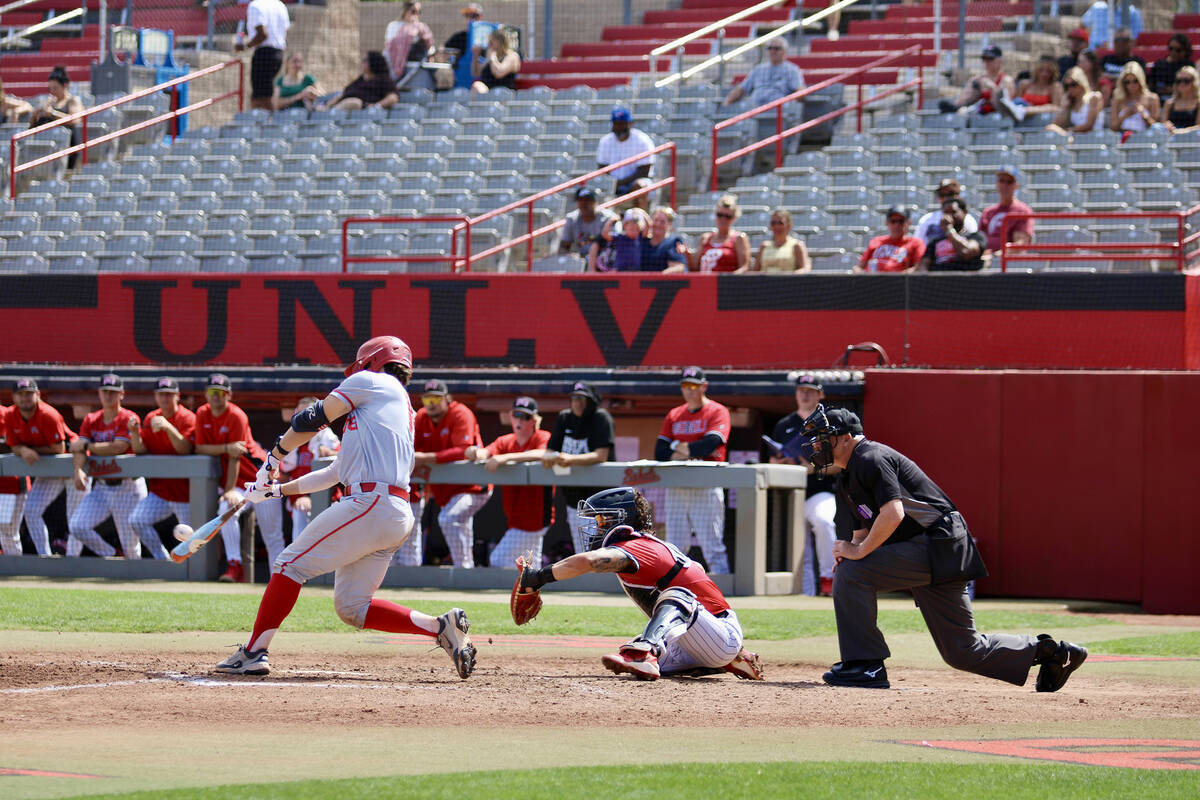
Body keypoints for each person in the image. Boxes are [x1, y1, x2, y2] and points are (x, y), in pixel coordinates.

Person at [216, 335, 476, 680]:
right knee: (352, 608)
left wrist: (274, 456)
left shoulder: (372, 381)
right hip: (392, 512)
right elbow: (336, 472)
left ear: (371, 361)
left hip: (371, 503)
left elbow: (311, 418)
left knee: (288, 565)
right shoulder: (393, 407)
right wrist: (276, 490)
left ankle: (253, 652)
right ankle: (441, 627)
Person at [797, 404, 1088, 692]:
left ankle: (866, 666)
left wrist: (857, 555)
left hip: (938, 543)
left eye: (824, 437)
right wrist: (849, 551)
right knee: (963, 651)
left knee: (853, 572)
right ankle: (1053, 653)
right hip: (928, 549)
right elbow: (861, 533)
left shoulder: (871, 456)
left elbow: (893, 514)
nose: (817, 445)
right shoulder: (846, 477)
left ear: (846, 438)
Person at [513, 487, 763, 681]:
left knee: (675, 597)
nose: (595, 527)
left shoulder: (638, 545)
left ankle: (649, 652)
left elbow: (589, 561)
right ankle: (727, 661)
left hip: (722, 633)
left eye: (601, 520)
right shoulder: (648, 545)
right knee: (626, 653)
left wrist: (538, 577)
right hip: (699, 638)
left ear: (622, 520)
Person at [654, 367, 732, 575]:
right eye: (685, 386)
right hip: (677, 485)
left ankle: (721, 590)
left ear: (704, 386)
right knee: (675, 546)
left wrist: (678, 447)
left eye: (694, 386)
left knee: (712, 545)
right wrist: (690, 449)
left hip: (705, 483)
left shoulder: (717, 410)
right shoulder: (675, 414)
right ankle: (676, 587)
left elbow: (711, 444)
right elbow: (660, 452)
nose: (689, 390)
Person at [766, 374, 838, 596]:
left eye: (810, 390)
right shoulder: (785, 424)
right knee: (800, 548)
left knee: (823, 522)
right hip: (791, 494)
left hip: (820, 489)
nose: (805, 394)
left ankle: (830, 577)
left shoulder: (830, 421)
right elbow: (771, 460)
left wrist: (813, 468)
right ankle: (806, 594)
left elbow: (842, 463)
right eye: (801, 390)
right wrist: (781, 462)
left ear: (820, 394)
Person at [193, 373, 266, 583]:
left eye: (221, 393)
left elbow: (236, 456)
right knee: (226, 510)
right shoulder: (202, 413)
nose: (216, 396)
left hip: (257, 480)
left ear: (229, 395)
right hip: (232, 484)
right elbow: (199, 448)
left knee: (272, 535)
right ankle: (235, 565)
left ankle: (285, 578)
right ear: (206, 394)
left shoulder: (237, 415)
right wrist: (229, 489)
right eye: (212, 392)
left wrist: (229, 489)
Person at [67, 374, 148, 559]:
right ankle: (111, 553)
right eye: (105, 391)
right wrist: (78, 470)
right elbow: (78, 449)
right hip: (102, 487)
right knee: (77, 526)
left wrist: (87, 446)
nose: (108, 395)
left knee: (132, 548)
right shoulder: (91, 419)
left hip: (128, 487)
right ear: (99, 393)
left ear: (121, 394)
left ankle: (133, 581)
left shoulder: (128, 417)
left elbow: (119, 447)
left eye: (113, 392)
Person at [466, 396, 552, 566]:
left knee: (498, 560)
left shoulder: (542, 436)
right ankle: (528, 591)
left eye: (525, 417)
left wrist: (503, 459)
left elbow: (542, 454)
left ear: (534, 420)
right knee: (530, 566)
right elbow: (487, 452)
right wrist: (475, 453)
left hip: (536, 517)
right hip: (515, 517)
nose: (519, 420)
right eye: (516, 415)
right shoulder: (505, 441)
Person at [413, 379, 488, 568]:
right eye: (427, 399)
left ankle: (463, 569)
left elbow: (462, 450)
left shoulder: (461, 413)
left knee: (449, 519)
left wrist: (425, 458)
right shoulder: (421, 417)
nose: (431, 404)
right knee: (460, 525)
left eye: (436, 399)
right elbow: (411, 450)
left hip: (473, 486)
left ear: (447, 399)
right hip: (445, 490)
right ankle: (466, 569)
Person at [6, 378, 81, 556]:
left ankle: (73, 562)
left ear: (38, 395)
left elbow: (59, 448)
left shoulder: (48, 414)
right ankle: (44, 557)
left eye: (29, 394)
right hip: (48, 470)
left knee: (75, 519)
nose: (25, 398)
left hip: (71, 466)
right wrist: (23, 450)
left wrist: (30, 450)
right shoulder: (10, 415)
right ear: (14, 397)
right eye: (20, 394)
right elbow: (13, 445)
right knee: (31, 511)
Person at [542, 381, 615, 555]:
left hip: (599, 501)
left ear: (591, 402)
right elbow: (551, 449)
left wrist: (571, 459)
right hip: (573, 499)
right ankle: (586, 582)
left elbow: (601, 455)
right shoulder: (564, 418)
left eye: (583, 399)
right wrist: (550, 457)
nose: (578, 402)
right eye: (575, 398)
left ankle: (602, 583)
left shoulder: (601, 418)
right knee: (582, 550)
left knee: (601, 550)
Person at [127, 377, 195, 561]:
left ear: (177, 396)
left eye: (169, 394)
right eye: (161, 394)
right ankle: (162, 559)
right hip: (161, 493)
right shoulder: (151, 417)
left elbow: (185, 449)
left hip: (186, 494)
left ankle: (193, 576)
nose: (165, 398)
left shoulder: (188, 417)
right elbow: (140, 450)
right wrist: (134, 434)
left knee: (192, 540)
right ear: (156, 397)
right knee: (137, 520)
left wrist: (168, 427)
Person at [279, 397, 340, 542]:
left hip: (327, 497)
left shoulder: (326, 436)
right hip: (299, 496)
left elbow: (345, 460)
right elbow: (284, 474)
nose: (303, 419)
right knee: (300, 510)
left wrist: (331, 454)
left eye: (307, 414)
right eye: (299, 415)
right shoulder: (292, 437)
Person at [235, 0, 289, 112]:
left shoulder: (256, 5)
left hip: (264, 54)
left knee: (260, 98)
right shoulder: (280, 5)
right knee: (267, 93)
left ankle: (265, 124)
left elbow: (263, 34)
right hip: (278, 53)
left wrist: (245, 46)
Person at [721, 37, 803, 108]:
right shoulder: (759, 69)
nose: (772, 51)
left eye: (776, 48)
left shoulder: (791, 69)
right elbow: (742, 89)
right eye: (769, 48)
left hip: (778, 110)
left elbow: (800, 91)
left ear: (784, 51)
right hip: (755, 108)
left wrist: (790, 105)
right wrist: (727, 102)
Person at [28, 66, 84, 168]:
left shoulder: (73, 100)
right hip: (48, 142)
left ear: (65, 85)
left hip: (68, 143)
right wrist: (35, 114)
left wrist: (53, 114)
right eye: (50, 88)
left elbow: (75, 120)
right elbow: (32, 125)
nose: (52, 91)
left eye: (56, 88)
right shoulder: (50, 102)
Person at [596, 107, 655, 199]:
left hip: (633, 183)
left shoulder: (642, 140)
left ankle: (640, 213)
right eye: (616, 123)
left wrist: (620, 183)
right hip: (612, 184)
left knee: (640, 185)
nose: (619, 127)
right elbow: (602, 169)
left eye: (622, 123)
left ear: (630, 124)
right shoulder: (605, 141)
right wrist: (614, 184)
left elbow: (644, 171)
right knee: (591, 190)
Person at [939, 45, 1014, 117]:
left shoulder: (1006, 80)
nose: (987, 62)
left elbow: (1005, 106)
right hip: (978, 114)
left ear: (1000, 60)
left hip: (998, 115)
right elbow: (961, 101)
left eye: (990, 59)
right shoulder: (977, 79)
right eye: (984, 59)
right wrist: (976, 91)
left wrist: (991, 87)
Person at [918, 197, 986, 272]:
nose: (949, 216)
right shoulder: (935, 242)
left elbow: (966, 252)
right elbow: (923, 265)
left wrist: (949, 230)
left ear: (965, 212)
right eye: (946, 213)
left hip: (966, 280)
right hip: (938, 281)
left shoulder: (975, 236)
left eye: (953, 212)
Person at [979, 166, 1033, 255]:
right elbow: (980, 239)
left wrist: (996, 255)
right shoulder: (988, 212)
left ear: (1016, 185)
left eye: (1009, 182)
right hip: (985, 259)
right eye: (1001, 181)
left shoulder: (1022, 211)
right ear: (997, 184)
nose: (1004, 185)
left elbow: (1020, 244)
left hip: (1009, 262)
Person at [690, 194, 751, 273]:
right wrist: (687, 255)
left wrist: (728, 279)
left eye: (727, 216)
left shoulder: (739, 238)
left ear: (734, 218)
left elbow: (744, 267)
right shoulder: (705, 238)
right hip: (705, 283)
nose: (723, 219)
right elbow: (694, 269)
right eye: (720, 215)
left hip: (728, 283)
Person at [320, 52, 400, 111]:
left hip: (359, 107)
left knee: (353, 102)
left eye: (365, 60)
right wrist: (327, 104)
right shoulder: (360, 80)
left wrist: (376, 106)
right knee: (316, 105)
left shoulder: (383, 80)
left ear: (373, 62)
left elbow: (393, 97)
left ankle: (329, 113)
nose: (362, 63)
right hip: (342, 105)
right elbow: (343, 95)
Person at [856, 206, 925, 273]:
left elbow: (918, 268)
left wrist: (900, 277)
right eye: (893, 221)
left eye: (901, 221)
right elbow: (859, 267)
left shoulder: (915, 243)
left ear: (909, 223)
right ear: (887, 223)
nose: (896, 225)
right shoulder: (876, 241)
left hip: (899, 282)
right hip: (871, 281)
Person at [557, 186, 617, 259]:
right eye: (581, 200)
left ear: (595, 202)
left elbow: (615, 244)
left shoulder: (608, 218)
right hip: (580, 260)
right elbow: (564, 246)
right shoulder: (571, 219)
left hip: (602, 259)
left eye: (588, 200)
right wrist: (569, 256)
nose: (584, 204)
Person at [999, 55, 1063, 122]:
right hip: (1023, 121)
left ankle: (1023, 111)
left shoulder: (1055, 86)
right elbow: (1015, 106)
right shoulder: (1024, 84)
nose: (1044, 74)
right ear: (1036, 70)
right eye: (1041, 70)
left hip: (1042, 120)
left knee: (1051, 107)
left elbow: (1056, 108)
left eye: (1048, 71)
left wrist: (1031, 109)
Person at [914, 180, 979, 245]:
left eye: (950, 194)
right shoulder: (927, 219)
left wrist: (949, 229)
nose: (945, 198)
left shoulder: (967, 219)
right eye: (942, 195)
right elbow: (917, 243)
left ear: (958, 196)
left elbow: (973, 244)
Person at [1045, 66, 1105, 137]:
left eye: (1073, 84)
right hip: (1076, 139)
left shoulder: (1094, 97)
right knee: (1050, 128)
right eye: (1067, 86)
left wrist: (1065, 132)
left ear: (1082, 83)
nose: (1070, 88)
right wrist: (1063, 107)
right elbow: (1057, 124)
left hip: (1093, 138)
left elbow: (1088, 125)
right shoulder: (1070, 102)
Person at [384, 1, 436, 81]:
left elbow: (430, 46)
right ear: (405, 10)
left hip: (417, 61)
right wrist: (408, 33)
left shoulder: (421, 28)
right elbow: (391, 46)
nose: (416, 14)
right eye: (414, 11)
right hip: (396, 60)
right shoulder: (394, 25)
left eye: (419, 12)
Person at [0, 406, 28, 555]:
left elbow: (16, 446)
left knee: (8, 534)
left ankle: (16, 571)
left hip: (10, 486)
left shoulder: (8, 415)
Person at [1109, 61, 1161, 133]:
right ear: (1123, 83)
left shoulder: (1152, 98)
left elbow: (1156, 128)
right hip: (1123, 138)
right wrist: (1124, 115)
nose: (1131, 85)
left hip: (1146, 138)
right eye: (1127, 82)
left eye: (1135, 81)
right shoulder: (1117, 99)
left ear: (1141, 80)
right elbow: (1113, 127)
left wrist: (1144, 115)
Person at [471, 28, 519, 94]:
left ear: (501, 42)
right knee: (477, 86)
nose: (489, 45)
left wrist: (493, 57)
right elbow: (476, 73)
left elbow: (498, 73)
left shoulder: (512, 56)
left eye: (492, 42)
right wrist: (476, 56)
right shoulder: (490, 56)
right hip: (487, 91)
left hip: (504, 92)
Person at [1148, 34, 1194, 102]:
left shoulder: (1189, 66)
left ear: (1186, 51)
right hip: (1158, 100)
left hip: (1181, 102)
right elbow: (1150, 85)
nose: (1174, 52)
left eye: (1178, 50)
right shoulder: (1159, 64)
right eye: (1171, 49)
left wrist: (1173, 89)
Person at [645, 206, 690, 272]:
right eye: (656, 220)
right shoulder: (643, 242)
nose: (658, 224)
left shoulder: (674, 242)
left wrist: (659, 277)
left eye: (662, 222)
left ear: (669, 224)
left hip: (665, 281)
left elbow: (679, 267)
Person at [1162, 65, 1200, 134]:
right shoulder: (1169, 103)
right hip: (1172, 137)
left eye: (1186, 81)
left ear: (1194, 82)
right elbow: (1163, 122)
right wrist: (1167, 125)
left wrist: (1183, 131)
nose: (1182, 84)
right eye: (1178, 81)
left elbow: (1199, 126)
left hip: (1193, 139)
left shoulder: (1198, 103)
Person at [444, 3, 482, 69]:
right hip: (462, 74)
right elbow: (443, 50)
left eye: (473, 16)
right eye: (467, 16)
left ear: (480, 17)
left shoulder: (487, 36)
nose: (470, 19)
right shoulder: (459, 37)